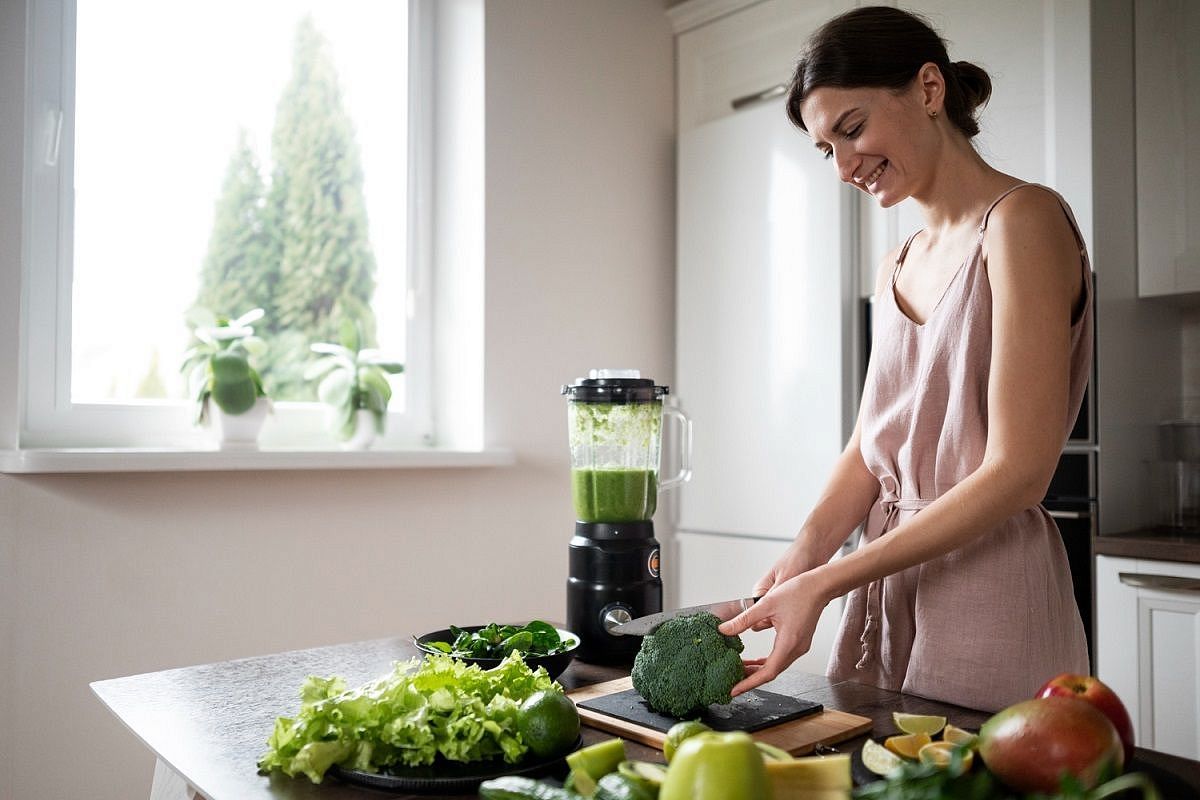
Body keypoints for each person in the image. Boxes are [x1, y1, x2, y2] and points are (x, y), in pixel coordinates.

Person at [717, 6, 1092, 712]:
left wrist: (828, 581)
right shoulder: (895, 262)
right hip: (886, 591)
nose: (843, 167)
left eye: (851, 129)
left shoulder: (1022, 222)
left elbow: (1018, 471)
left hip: (989, 588)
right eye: (827, 149)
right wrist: (804, 558)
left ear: (927, 89)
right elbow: (868, 451)